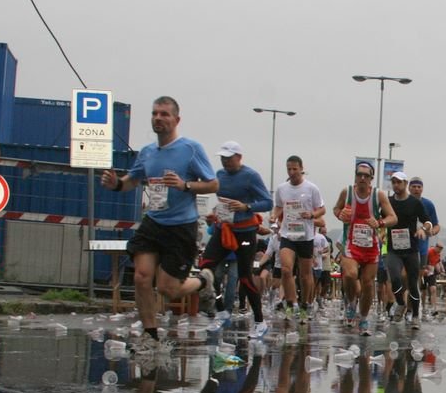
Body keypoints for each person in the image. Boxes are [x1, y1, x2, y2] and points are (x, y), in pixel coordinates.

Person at [100, 96, 218, 355]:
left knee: (167, 288)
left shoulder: (190, 149)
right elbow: (133, 179)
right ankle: (150, 335)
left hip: (181, 226)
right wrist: (117, 184)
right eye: (155, 114)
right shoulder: (147, 152)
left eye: (164, 114)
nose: (158, 118)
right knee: (142, 277)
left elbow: (212, 184)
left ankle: (203, 282)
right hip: (153, 222)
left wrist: (184, 185)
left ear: (176, 119)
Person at [198, 141, 272, 339]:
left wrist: (246, 206)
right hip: (224, 229)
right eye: (222, 158)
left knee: (245, 276)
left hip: (245, 233)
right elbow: (222, 202)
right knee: (206, 268)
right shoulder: (219, 175)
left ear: (239, 157)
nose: (225, 162)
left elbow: (267, 202)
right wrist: (213, 214)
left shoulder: (251, 176)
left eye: (229, 158)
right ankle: (221, 310)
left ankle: (259, 321)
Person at [332, 160, 397, 336]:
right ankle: (351, 303)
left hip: (371, 246)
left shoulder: (378, 196)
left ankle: (363, 318)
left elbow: (393, 217)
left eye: (365, 176)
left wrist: (380, 222)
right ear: (355, 176)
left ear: (371, 179)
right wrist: (340, 214)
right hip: (351, 244)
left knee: (368, 284)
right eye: (359, 175)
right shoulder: (347, 193)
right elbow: (335, 208)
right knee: (351, 275)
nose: (362, 178)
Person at [272, 156, 326, 324]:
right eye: (289, 169)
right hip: (288, 234)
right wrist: (274, 215)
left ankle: (306, 304)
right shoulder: (282, 188)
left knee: (305, 275)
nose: (292, 172)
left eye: (295, 169)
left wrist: (312, 214)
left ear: (301, 168)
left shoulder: (311, 188)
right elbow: (279, 206)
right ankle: (291, 302)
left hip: (306, 235)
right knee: (286, 270)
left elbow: (322, 209)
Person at [385, 171, 432, 329]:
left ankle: (416, 316)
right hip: (393, 249)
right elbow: (380, 218)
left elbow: (427, 222)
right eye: (393, 182)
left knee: (413, 283)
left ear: (405, 184)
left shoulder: (415, 202)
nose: (396, 185)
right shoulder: (388, 201)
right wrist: (379, 232)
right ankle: (400, 303)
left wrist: (422, 230)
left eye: (399, 182)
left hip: (411, 249)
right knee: (395, 278)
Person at [408, 176, 441, 314]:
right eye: (414, 186)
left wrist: (432, 231)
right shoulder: (403, 202)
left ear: (422, 189)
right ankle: (403, 305)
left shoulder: (428, 204)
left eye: (419, 187)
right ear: (409, 188)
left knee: (416, 280)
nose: (416, 189)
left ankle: (411, 310)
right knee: (404, 279)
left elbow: (437, 225)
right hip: (404, 246)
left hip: (421, 249)